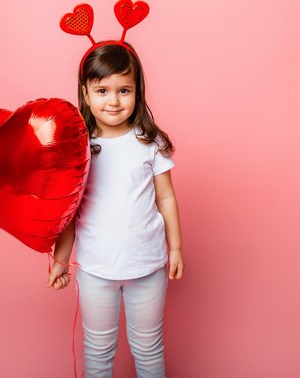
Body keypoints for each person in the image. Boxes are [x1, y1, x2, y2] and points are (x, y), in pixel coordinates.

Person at [46, 41, 185, 378]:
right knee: (97, 348)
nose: (113, 101)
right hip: (96, 270)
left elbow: (166, 197)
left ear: (137, 91)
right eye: (103, 90)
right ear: (86, 92)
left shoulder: (148, 142)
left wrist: (176, 247)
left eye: (124, 90)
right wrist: (61, 260)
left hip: (148, 267)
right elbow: (69, 213)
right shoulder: (78, 147)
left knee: (148, 346)